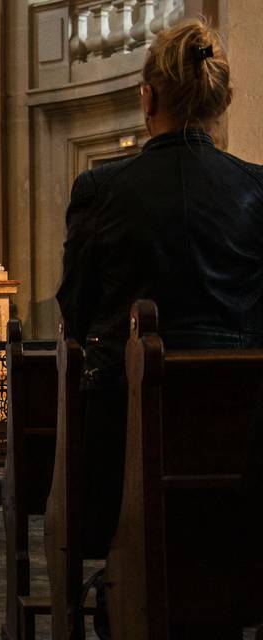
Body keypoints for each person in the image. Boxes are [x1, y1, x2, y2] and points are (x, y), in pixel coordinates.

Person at [48, 18, 263, 639]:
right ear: (220, 99)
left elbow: (77, 312)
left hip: (119, 445)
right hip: (241, 445)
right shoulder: (256, 192)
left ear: (147, 97)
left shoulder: (102, 188)